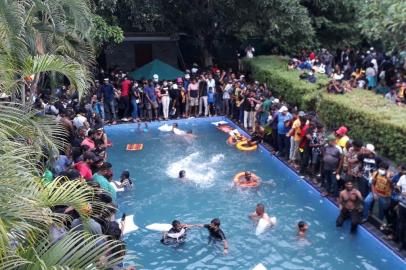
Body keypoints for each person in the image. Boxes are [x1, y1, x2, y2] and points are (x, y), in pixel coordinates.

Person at [321, 134, 343, 198]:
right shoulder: (326, 146)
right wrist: (325, 158)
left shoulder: (338, 148)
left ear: (332, 141)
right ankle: (327, 191)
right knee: (327, 179)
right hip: (326, 166)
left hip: (334, 168)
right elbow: (324, 152)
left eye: (328, 141)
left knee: (334, 181)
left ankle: (336, 195)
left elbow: (341, 159)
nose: (327, 142)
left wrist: (338, 169)